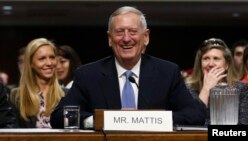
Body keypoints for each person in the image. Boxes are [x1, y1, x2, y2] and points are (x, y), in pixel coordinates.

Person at [51, 6, 206, 129]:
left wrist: (151, 120)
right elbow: (59, 116)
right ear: (109, 39)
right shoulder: (88, 74)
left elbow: (196, 114)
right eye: (119, 32)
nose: (126, 39)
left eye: (133, 32)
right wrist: (98, 121)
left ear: (146, 37)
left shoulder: (167, 72)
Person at [185, 38, 248, 125]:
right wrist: (206, 88)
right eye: (206, 58)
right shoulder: (188, 88)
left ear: (226, 64)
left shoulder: (241, 88)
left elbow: (244, 123)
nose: (211, 64)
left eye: (216, 58)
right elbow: (191, 122)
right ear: (200, 63)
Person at [9, 38, 65, 128]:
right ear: (31, 63)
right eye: (42, 58)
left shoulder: (67, 94)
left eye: (52, 57)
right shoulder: (16, 96)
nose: (49, 63)